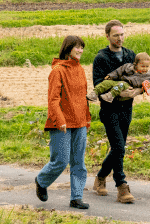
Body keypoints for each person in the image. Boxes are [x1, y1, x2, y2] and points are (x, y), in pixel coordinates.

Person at [34, 34, 92, 209]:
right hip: (62, 123)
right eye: (77, 47)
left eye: (82, 47)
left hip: (80, 121)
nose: (81, 50)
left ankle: (77, 197)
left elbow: (83, 98)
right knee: (61, 160)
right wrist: (60, 120)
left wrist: (87, 119)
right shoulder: (57, 70)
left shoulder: (80, 69)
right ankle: (41, 181)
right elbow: (53, 100)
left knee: (79, 162)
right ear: (68, 49)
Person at [92, 20, 138, 202]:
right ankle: (121, 186)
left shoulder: (130, 55)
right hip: (109, 109)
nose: (120, 38)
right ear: (107, 36)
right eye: (116, 35)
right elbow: (98, 85)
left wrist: (136, 90)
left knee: (119, 148)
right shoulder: (101, 58)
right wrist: (119, 92)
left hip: (127, 109)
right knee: (119, 147)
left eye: (122, 34)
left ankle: (101, 177)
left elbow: (141, 77)